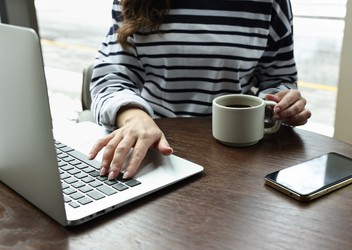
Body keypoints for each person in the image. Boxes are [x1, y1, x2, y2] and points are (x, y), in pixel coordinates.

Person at [88, 0, 312, 180]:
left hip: (242, 155)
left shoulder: (270, 3)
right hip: (155, 147)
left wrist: (283, 104)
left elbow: (279, 77)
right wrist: (134, 118)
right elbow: (110, 78)